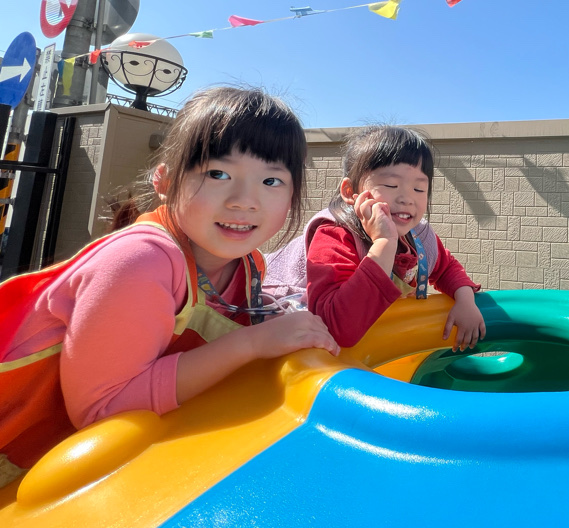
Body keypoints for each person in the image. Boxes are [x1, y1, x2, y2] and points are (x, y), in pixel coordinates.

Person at [0, 86, 339, 488]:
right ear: (165, 180)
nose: (245, 201)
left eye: (271, 180)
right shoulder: (141, 261)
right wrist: (252, 344)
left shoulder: (249, 265)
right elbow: (101, 410)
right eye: (218, 174)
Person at [264, 124, 484, 350]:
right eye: (391, 185)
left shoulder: (419, 237)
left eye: (419, 189)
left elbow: (446, 268)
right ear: (350, 192)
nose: (407, 198)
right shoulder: (335, 234)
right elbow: (335, 327)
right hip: (280, 321)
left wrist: (465, 300)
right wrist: (384, 244)